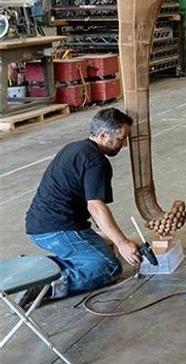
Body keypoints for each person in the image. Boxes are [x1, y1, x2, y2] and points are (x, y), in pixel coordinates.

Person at [24, 108, 142, 301]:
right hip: (57, 230)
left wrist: (117, 239)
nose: (124, 144)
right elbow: (96, 206)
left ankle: (35, 269)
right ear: (104, 135)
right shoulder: (96, 161)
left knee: (104, 248)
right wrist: (122, 243)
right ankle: (45, 287)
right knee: (108, 266)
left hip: (40, 226)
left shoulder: (76, 148)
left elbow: (92, 209)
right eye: (121, 138)